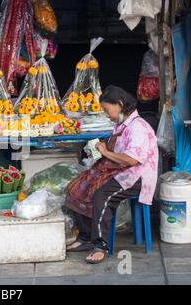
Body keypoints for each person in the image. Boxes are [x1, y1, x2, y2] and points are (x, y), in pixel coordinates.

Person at [65, 85, 158, 264]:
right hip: (119, 170)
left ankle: (101, 245)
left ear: (120, 104)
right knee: (77, 187)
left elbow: (131, 160)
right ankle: (85, 237)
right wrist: (101, 149)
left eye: (107, 110)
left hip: (136, 176)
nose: (107, 115)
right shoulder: (122, 125)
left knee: (102, 194)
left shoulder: (138, 127)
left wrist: (106, 152)